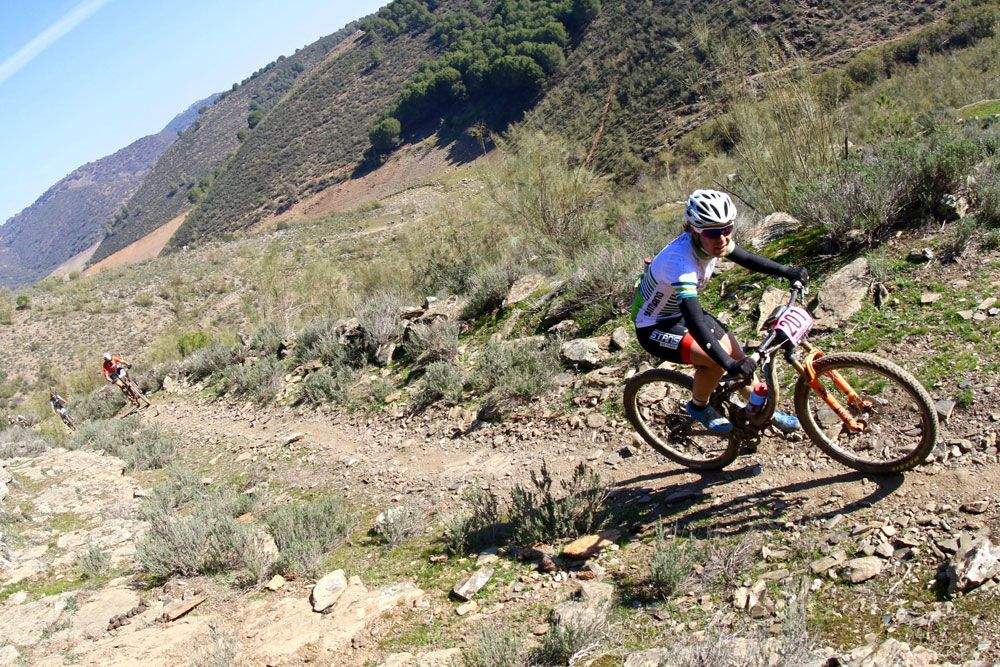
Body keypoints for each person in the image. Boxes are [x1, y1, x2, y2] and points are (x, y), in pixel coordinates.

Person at [632, 189, 808, 434]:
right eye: (714, 233)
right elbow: (694, 320)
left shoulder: (712, 241)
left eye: (727, 230)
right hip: (653, 326)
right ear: (695, 230)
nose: (722, 239)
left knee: (739, 357)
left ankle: (762, 410)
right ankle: (698, 406)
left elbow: (746, 258)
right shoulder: (680, 262)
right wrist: (725, 362)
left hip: (679, 313)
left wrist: (787, 271)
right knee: (717, 362)